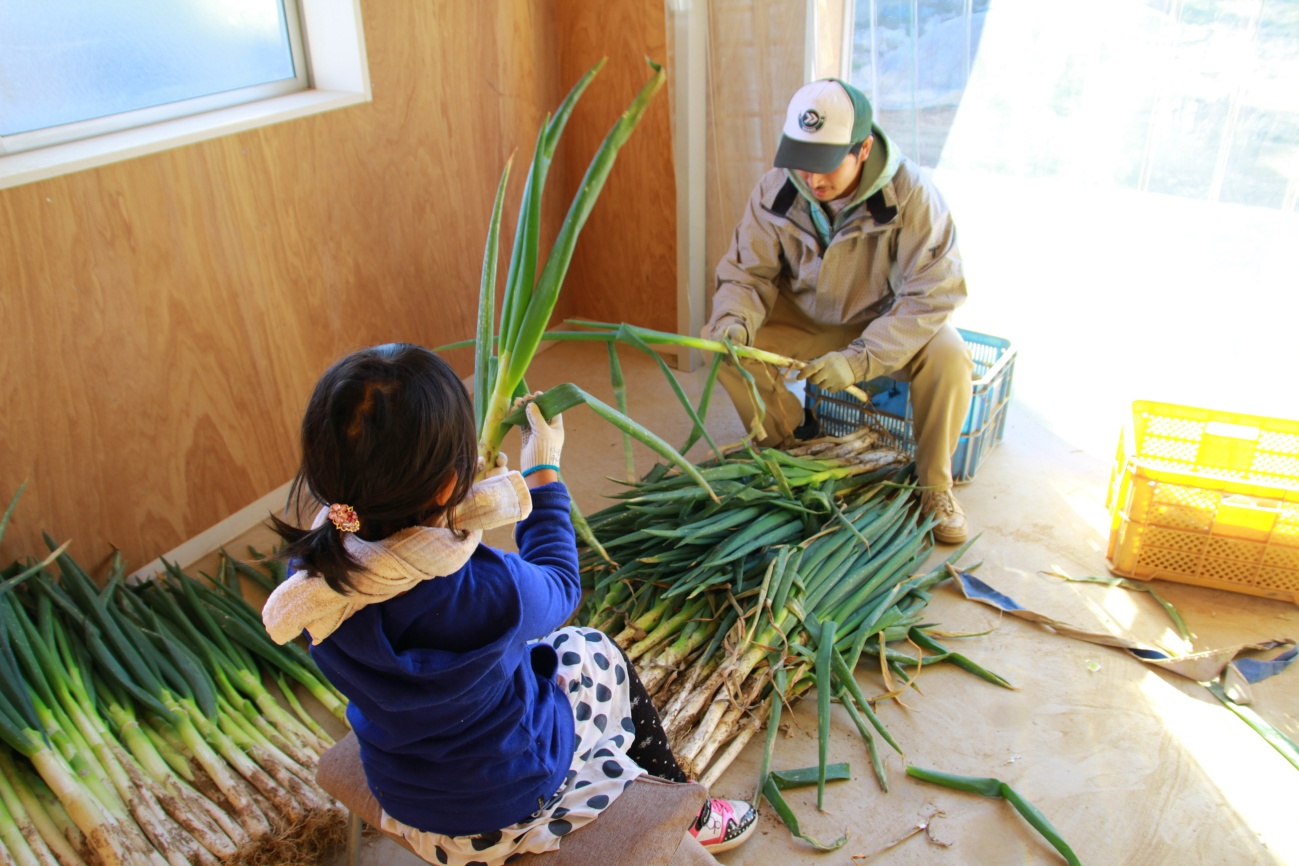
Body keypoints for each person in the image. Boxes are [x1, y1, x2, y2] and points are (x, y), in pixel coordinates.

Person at [259, 343, 757, 865]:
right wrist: (542, 473)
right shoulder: (486, 590)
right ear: (451, 483)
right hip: (510, 802)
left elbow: (405, 556)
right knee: (594, 650)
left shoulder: (312, 580)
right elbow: (562, 584)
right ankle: (690, 811)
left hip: (405, 793)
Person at [704, 78, 975, 544]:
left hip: (882, 321)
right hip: (806, 315)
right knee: (723, 342)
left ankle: (934, 484)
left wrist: (859, 359)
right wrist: (736, 321)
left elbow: (935, 293)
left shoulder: (913, 197)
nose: (813, 180)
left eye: (826, 165)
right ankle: (793, 446)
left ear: (864, 148)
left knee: (950, 358)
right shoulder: (776, 190)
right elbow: (748, 275)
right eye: (802, 163)